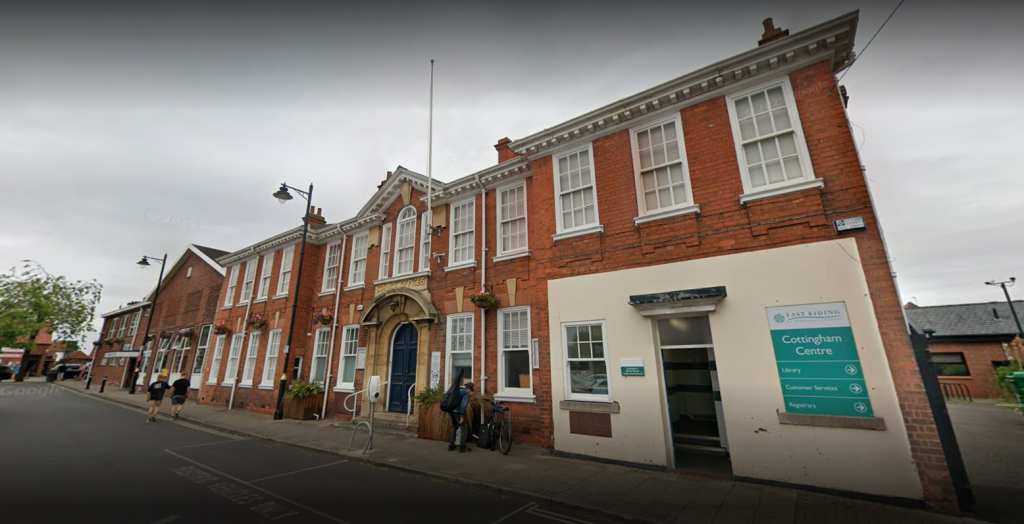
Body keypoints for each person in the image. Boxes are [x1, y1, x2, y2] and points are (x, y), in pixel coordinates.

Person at [448, 381, 473, 453]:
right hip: (457, 412)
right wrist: (462, 416)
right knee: (463, 427)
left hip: (450, 410)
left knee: (454, 426)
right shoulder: (465, 393)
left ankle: (451, 445)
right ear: (470, 389)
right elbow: (463, 405)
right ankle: (462, 447)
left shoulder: (458, 390)